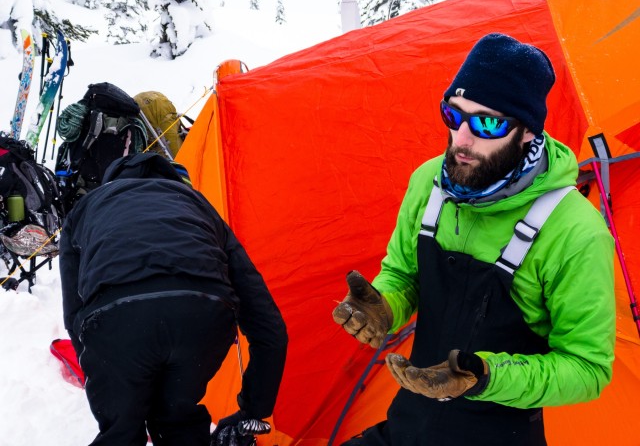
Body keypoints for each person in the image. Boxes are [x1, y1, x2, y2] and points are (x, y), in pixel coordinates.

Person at [332, 33, 615, 445]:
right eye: (453, 115)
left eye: (487, 122)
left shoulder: (574, 230)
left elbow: (588, 368)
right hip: (410, 424)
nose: (462, 140)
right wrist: (384, 307)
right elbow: (403, 273)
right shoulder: (428, 182)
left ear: (527, 133)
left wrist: (484, 376)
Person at [60, 152, 288, 446]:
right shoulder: (197, 205)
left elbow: (73, 311)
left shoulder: (87, 206)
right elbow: (268, 325)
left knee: (121, 430)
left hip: (116, 320)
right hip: (203, 317)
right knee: (177, 421)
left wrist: (99, 363)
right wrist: (253, 410)